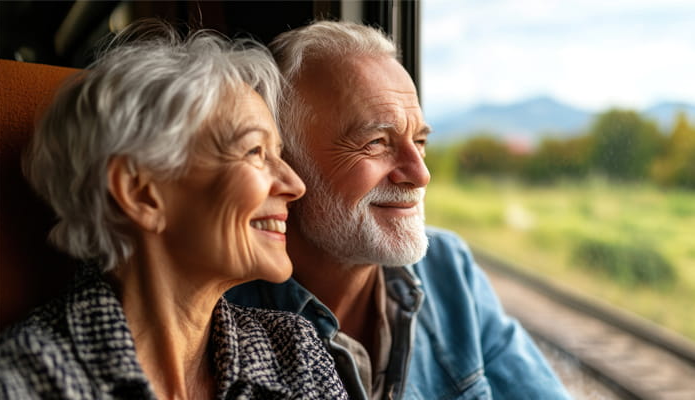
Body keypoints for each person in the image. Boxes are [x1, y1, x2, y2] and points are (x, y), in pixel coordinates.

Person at [0, 20, 348, 400]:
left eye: (279, 154)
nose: (296, 185)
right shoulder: (25, 378)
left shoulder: (296, 351)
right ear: (140, 192)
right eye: (254, 152)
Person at [226, 20, 572, 399]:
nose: (421, 174)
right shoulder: (222, 314)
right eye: (376, 142)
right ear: (281, 161)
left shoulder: (447, 269)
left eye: (419, 141)